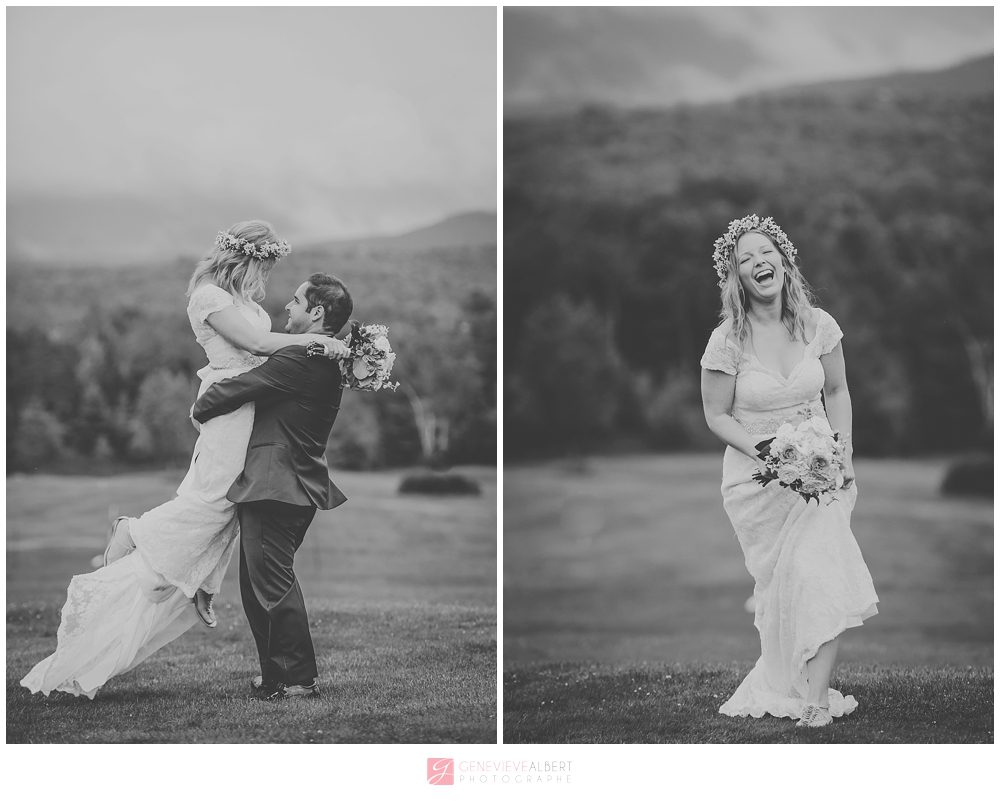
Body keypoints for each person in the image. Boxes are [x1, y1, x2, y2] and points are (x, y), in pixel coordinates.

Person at [20, 221, 348, 699]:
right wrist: (318, 341)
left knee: (225, 510)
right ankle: (135, 532)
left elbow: (267, 360)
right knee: (215, 499)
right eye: (266, 266)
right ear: (248, 259)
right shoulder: (210, 296)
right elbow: (258, 348)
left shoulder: (250, 307)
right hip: (234, 409)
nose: (271, 285)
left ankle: (202, 579)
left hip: (250, 418)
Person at [699, 214, 879, 728]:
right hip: (756, 484)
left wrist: (841, 453)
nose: (759, 262)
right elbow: (716, 414)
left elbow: (838, 392)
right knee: (781, 589)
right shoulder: (726, 341)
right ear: (736, 278)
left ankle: (816, 701)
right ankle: (789, 679)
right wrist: (767, 452)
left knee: (819, 569)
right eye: (745, 259)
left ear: (784, 259)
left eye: (766, 252)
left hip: (823, 472)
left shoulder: (819, 325)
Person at [191, 272, 353, 700]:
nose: (288, 307)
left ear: (317, 313)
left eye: (297, 302)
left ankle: (298, 678)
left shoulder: (300, 360)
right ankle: (274, 675)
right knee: (258, 585)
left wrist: (202, 399)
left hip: (275, 484)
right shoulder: (322, 358)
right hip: (292, 484)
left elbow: (223, 396)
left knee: (272, 585)